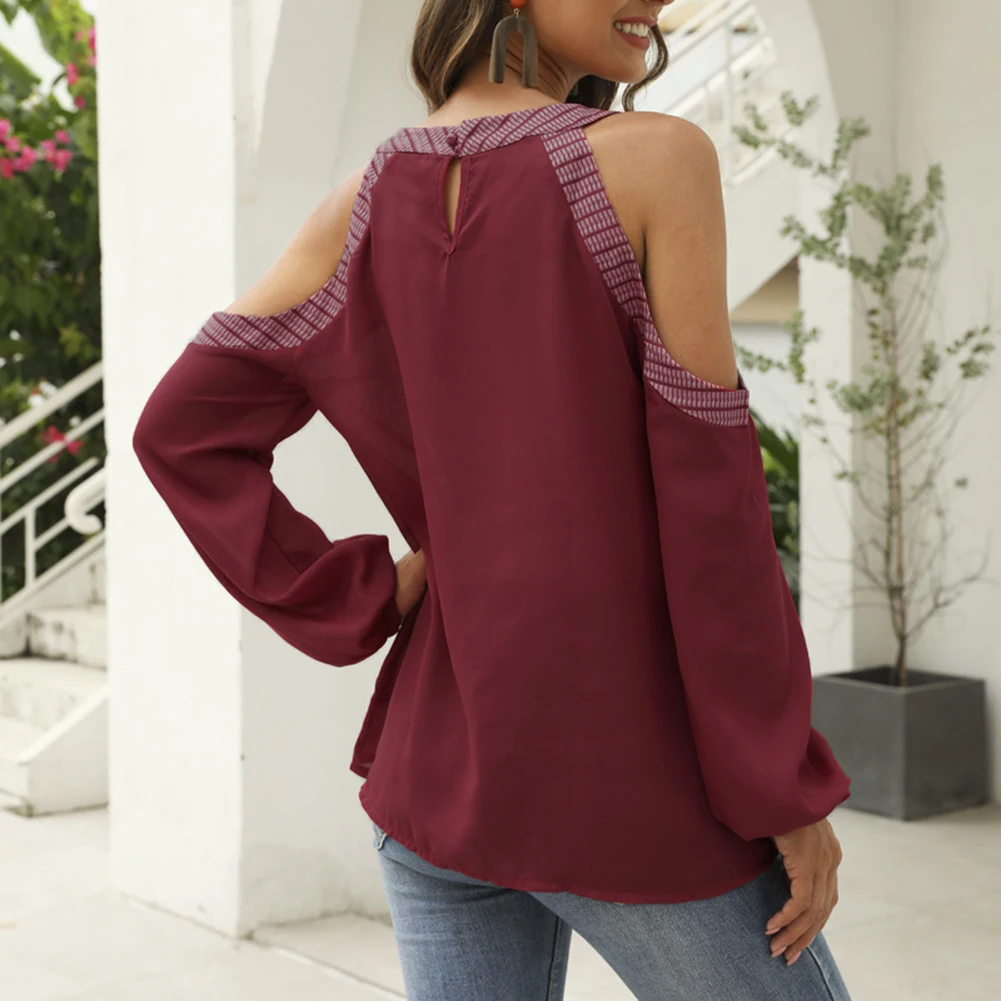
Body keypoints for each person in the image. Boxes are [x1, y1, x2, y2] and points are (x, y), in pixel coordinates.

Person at [131, 1, 855, 998]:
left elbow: (181, 431)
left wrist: (367, 590)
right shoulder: (659, 160)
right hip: (626, 788)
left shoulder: (360, 202)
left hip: (437, 781)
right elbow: (713, 513)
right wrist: (778, 783)